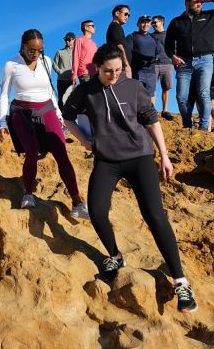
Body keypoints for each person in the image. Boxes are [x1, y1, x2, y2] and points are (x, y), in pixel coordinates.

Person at [63, 44, 198, 313]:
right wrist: (84, 140)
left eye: (118, 70)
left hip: (140, 158)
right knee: (97, 211)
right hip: (107, 160)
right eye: (107, 71)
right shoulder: (85, 90)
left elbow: (151, 121)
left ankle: (180, 280)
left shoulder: (134, 87)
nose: (114, 76)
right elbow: (66, 116)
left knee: (155, 216)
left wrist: (164, 155)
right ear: (96, 68)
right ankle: (114, 255)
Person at [0, 29, 88, 217]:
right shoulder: (11, 65)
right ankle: (28, 193)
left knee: (61, 153)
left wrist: (58, 112)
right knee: (31, 152)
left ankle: (77, 202)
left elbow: (49, 89)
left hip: (46, 109)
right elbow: (4, 95)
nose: (36, 55)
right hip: (21, 112)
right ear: (23, 46)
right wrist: (2, 123)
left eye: (40, 51)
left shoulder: (45, 62)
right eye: (32, 51)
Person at [164, 0, 214, 130]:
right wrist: (172, 56)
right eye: (196, 1)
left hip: (205, 61)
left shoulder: (211, 16)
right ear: (187, 3)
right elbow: (168, 44)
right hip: (183, 63)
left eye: (201, 2)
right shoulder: (176, 22)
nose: (200, 4)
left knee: (203, 94)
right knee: (181, 97)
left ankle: (203, 128)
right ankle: (187, 125)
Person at [126, 15, 164, 103]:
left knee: (151, 94)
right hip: (137, 71)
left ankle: (150, 115)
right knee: (136, 95)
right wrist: (144, 58)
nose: (145, 24)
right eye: (143, 22)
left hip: (151, 71)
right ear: (138, 24)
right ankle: (137, 115)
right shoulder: (132, 36)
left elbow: (159, 52)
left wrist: (157, 58)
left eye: (147, 22)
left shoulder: (154, 37)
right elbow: (129, 52)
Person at [150, 15, 174, 121]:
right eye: (153, 23)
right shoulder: (150, 36)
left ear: (162, 22)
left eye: (155, 22)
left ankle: (165, 110)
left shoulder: (170, 34)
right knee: (152, 89)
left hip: (167, 63)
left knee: (166, 88)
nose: (153, 24)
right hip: (153, 65)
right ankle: (151, 110)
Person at [106, 5, 132, 78]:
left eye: (128, 15)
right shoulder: (115, 26)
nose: (127, 17)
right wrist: (126, 64)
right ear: (117, 13)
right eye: (125, 14)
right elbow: (119, 46)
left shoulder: (117, 27)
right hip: (121, 66)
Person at [52, 32, 75, 108]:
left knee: (72, 99)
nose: (67, 41)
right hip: (61, 80)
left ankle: (71, 119)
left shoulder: (76, 52)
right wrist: (60, 72)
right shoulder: (60, 52)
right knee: (61, 100)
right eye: (65, 39)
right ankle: (61, 118)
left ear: (73, 40)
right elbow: (54, 64)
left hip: (72, 80)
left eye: (68, 39)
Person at [71, 20, 98, 85]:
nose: (95, 28)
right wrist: (74, 74)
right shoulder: (79, 40)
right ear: (86, 27)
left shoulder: (93, 42)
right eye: (93, 26)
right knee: (88, 93)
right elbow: (76, 56)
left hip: (95, 72)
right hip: (84, 72)